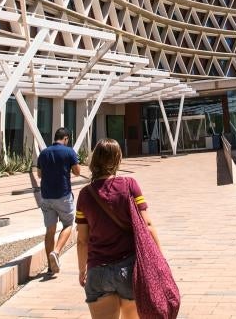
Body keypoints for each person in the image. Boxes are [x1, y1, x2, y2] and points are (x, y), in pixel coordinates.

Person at [76, 138, 164, 319]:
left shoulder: (85, 194)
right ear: (118, 159)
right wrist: (159, 260)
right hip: (129, 270)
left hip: (97, 271)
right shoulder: (130, 185)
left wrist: (82, 270)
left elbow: (82, 240)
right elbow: (147, 225)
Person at [35, 127, 82, 274]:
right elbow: (77, 172)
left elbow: (39, 174)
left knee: (50, 230)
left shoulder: (44, 153)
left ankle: (50, 266)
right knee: (68, 224)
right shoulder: (69, 152)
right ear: (66, 138)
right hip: (63, 195)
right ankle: (55, 252)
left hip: (46, 196)